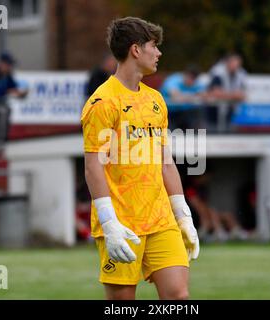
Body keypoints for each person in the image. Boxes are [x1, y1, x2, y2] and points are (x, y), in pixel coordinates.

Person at [81, 17, 199, 300]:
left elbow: (165, 161)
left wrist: (182, 214)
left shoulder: (156, 100)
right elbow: (93, 167)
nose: (158, 53)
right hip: (122, 222)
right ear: (136, 50)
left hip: (161, 220)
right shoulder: (102, 103)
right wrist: (109, 224)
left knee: (178, 297)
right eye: (153, 46)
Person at [206, 53, 247, 131]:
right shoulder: (218, 72)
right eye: (234, 64)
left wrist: (225, 95)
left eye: (238, 65)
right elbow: (215, 93)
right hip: (213, 110)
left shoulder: (241, 74)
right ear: (228, 63)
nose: (236, 67)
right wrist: (233, 95)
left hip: (230, 110)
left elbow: (242, 95)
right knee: (212, 134)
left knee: (228, 134)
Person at [160, 64, 207, 130]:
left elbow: (204, 96)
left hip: (185, 113)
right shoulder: (174, 79)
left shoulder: (197, 82)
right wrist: (193, 96)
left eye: (193, 79)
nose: (191, 81)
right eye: (190, 77)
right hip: (168, 113)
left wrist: (185, 97)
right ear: (185, 75)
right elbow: (175, 97)